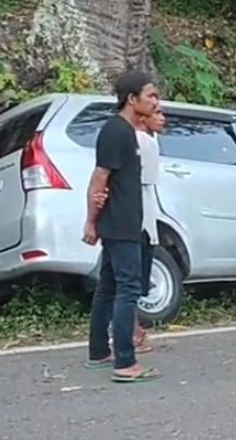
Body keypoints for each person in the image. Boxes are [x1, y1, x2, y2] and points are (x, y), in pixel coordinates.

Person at [83, 69, 160, 383]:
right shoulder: (118, 131)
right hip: (123, 221)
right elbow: (99, 179)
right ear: (131, 99)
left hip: (123, 219)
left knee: (108, 287)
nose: (156, 102)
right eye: (151, 95)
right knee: (127, 289)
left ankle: (99, 351)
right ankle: (125, 362)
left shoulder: (125, 131)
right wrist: (90, 220)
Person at [132, 103, 166, 352]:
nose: (162, 119)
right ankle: (132, 332)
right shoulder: (146, 142)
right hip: (141, 218)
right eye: (157, 114)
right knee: (132, 281)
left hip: (133, 217)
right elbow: (148, 183)